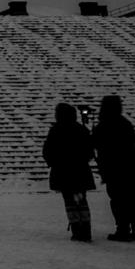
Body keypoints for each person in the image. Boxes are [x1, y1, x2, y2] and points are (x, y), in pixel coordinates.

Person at [93, 95, 135, 242]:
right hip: (128, 169)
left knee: (117, 200)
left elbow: (95, 143)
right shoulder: (125, 124)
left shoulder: (104, 125)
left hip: (113, 169)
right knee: (132, 198)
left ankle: (122, 229)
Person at [43, 103, 95, 242]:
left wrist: (54, 162)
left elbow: (48, 151)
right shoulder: (80, 129)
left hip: (64, 173)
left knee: (70, 202)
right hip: (80, 173)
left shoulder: (56, 130)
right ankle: (86, 229)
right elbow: (90, 151)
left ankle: (77, 230)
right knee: (81, 200)